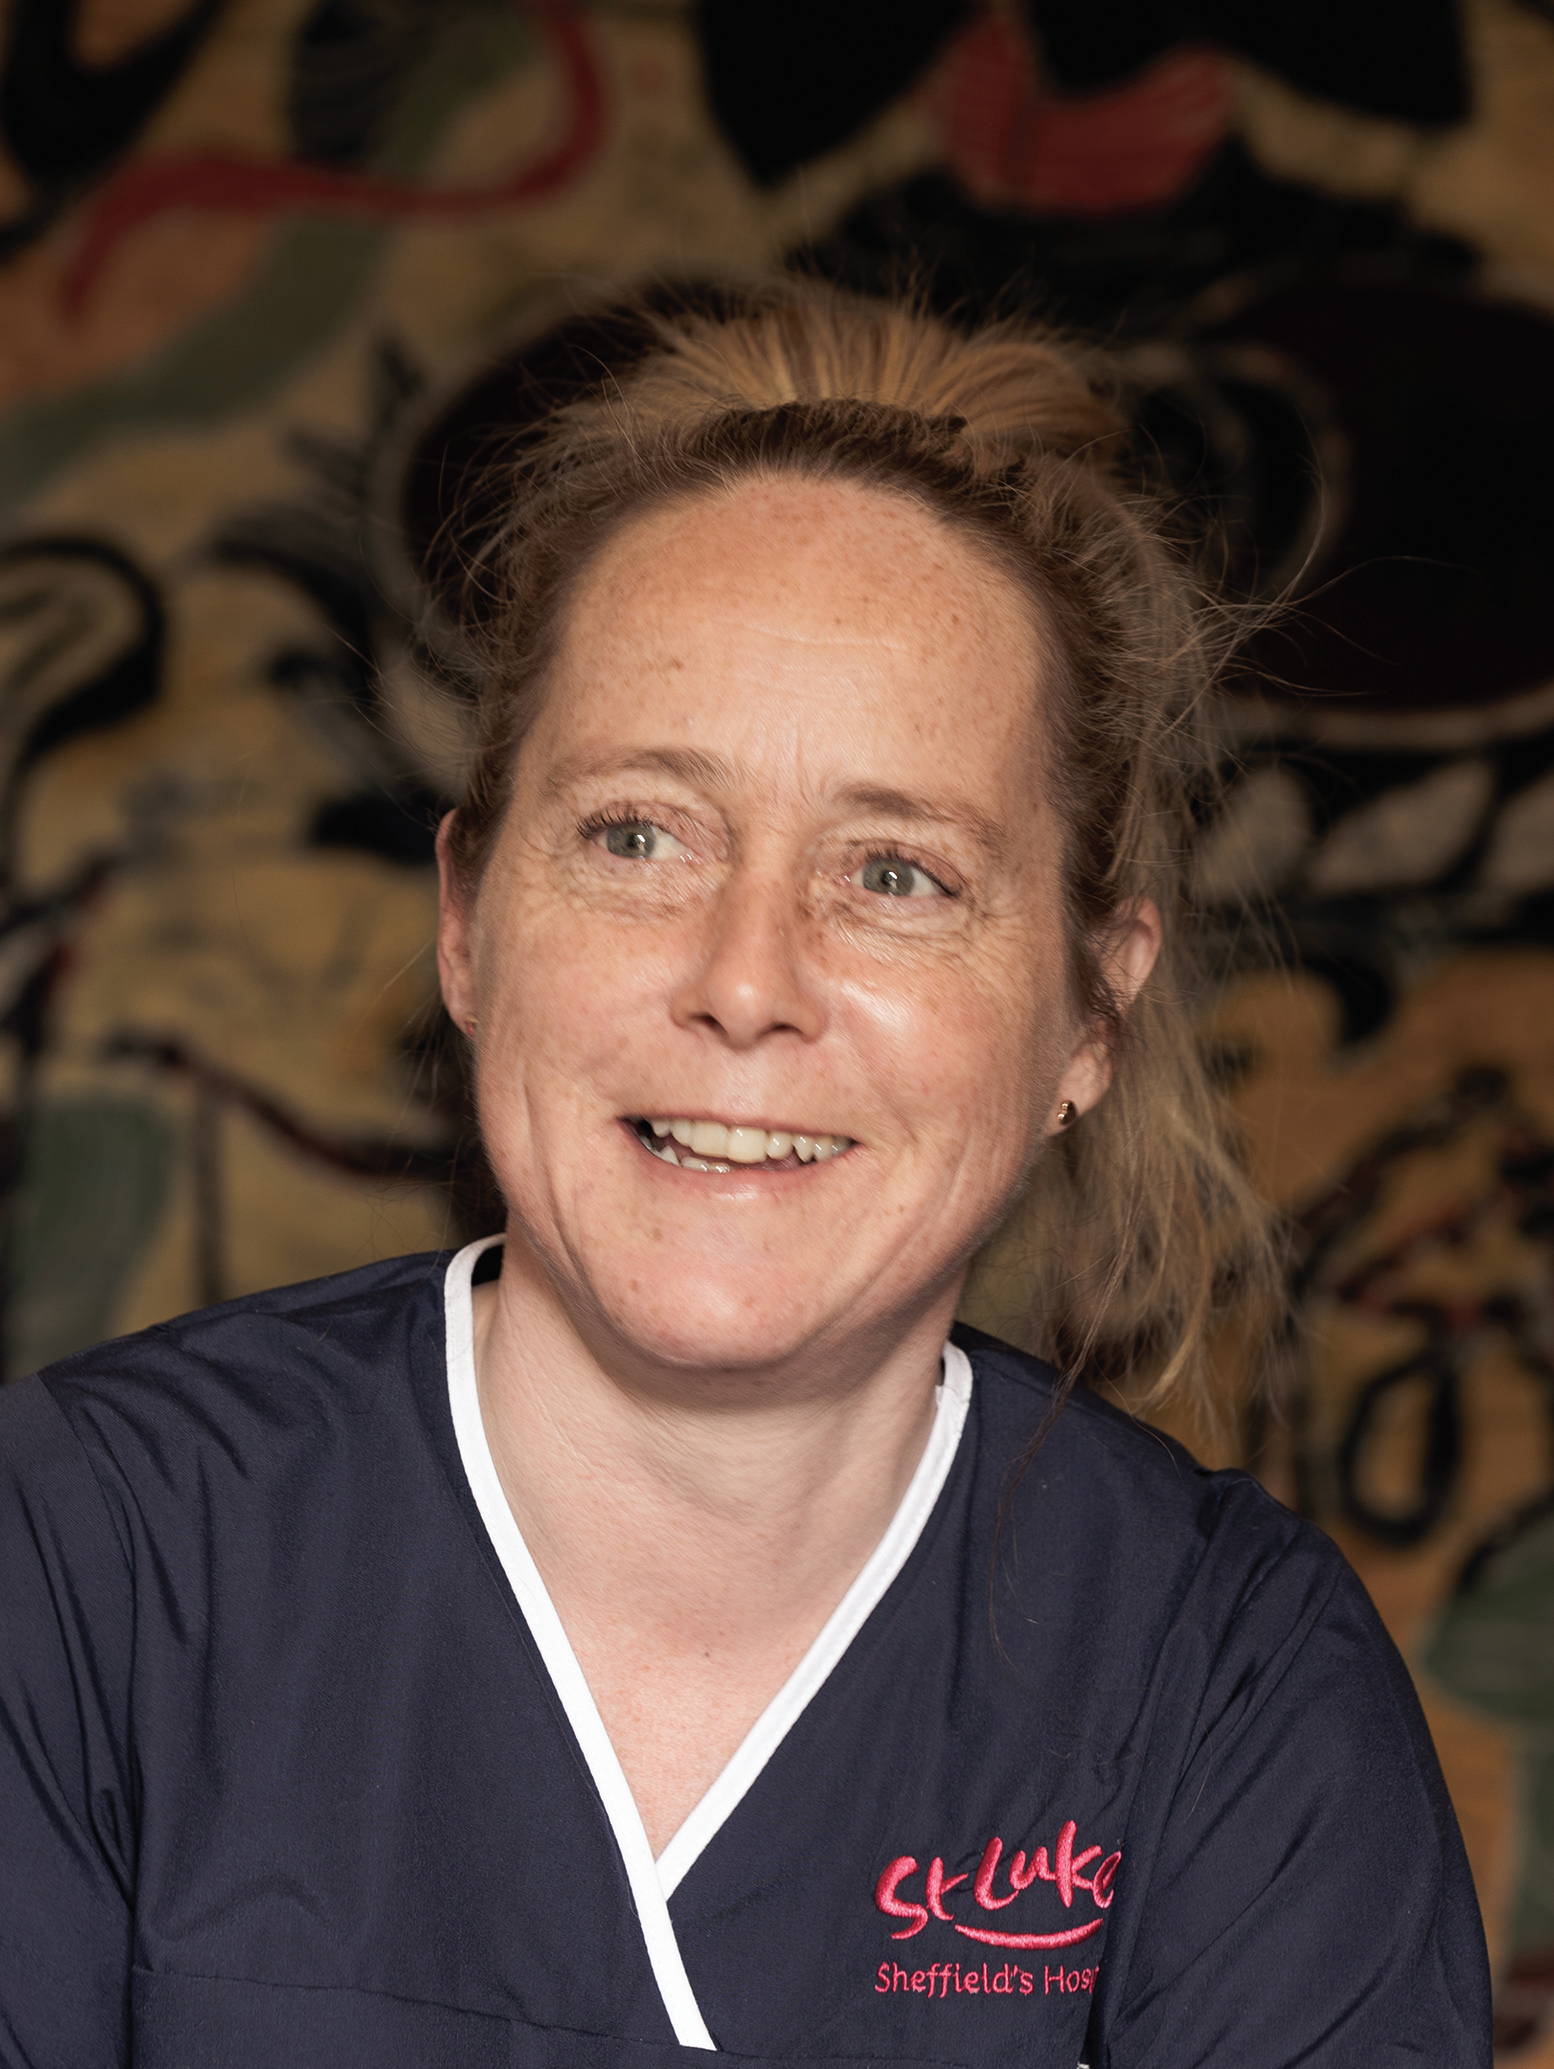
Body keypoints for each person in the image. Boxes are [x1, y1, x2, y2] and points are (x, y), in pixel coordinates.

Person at [0, 283, 1489, 2068]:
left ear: (1091, 1010)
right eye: (639, 835)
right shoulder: (79, 1559)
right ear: (468, 921)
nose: (745, 978)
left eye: (896, 873)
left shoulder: (1226, 1687)